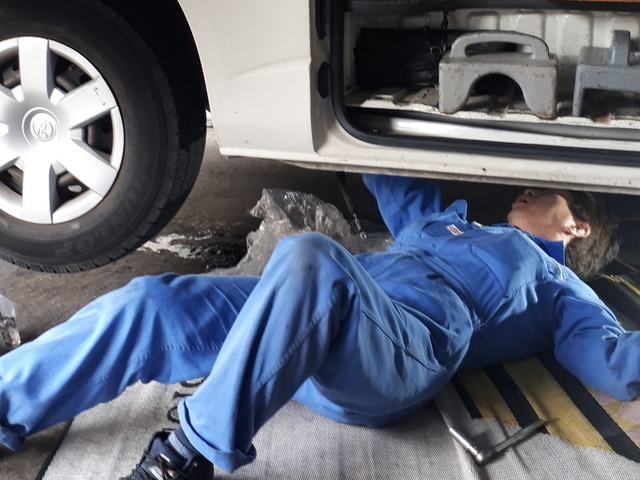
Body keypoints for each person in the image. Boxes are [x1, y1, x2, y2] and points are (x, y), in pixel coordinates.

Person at [0, 174, 632, 480]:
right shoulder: (450, 221)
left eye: (552, 194)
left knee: (311, 255)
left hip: (391, 353)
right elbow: (389, 168)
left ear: (575, 227)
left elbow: (614, 361)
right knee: (152, 301)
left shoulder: (562, 290)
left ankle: (185, 457)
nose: (527, 190)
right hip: (301, 317)